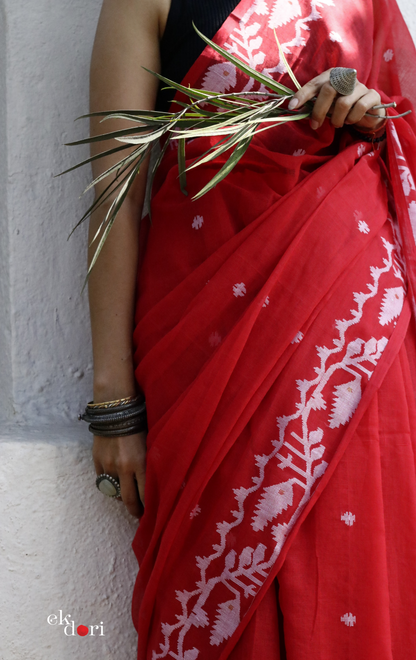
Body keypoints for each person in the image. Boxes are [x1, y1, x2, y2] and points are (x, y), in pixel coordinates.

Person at [86, 0, 416, 657]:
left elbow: (403, 124)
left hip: (353, 340)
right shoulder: (145, 3)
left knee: (353, 566)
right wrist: (114, 406)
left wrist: (370, 112)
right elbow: (113, 198)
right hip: (204, 338)